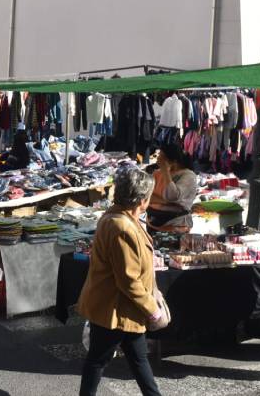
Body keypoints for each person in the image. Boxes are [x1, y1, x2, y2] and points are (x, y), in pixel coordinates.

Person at [77, 167, 163, 396]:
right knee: (99, 360)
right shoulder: (121, 226)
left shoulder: (121, 218)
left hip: (120, 308)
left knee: (137, 359)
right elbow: (128, 280)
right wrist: (152, 309)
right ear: (142, 199)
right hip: (114, 310)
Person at [146, 143, 197, 232]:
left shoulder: (188, 175)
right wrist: (168, 202)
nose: (158, 159)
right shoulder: (157, 173)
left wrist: (165, 170)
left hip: (175, 225)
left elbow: (172, 196)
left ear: (174, 161)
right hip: (153, 222)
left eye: (161, 157)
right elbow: (147, 196)